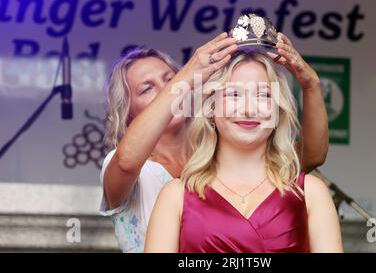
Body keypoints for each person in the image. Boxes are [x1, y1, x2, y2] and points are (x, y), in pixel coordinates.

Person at [101, 31, 328, 252]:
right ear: (128, 112)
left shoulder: (221, 152)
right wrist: (186, 76)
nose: (165, 91)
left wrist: (310, 85)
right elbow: (125, 162)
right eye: (147, 88)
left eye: (169, 79)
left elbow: (312, 156)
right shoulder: (136, 169)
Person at [144, 51, 342, 253]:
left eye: (263, 95)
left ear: (278, 111)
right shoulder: (175, 195)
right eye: (234, 94)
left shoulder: (311, 193)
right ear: (211, 108)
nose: (248, 109)